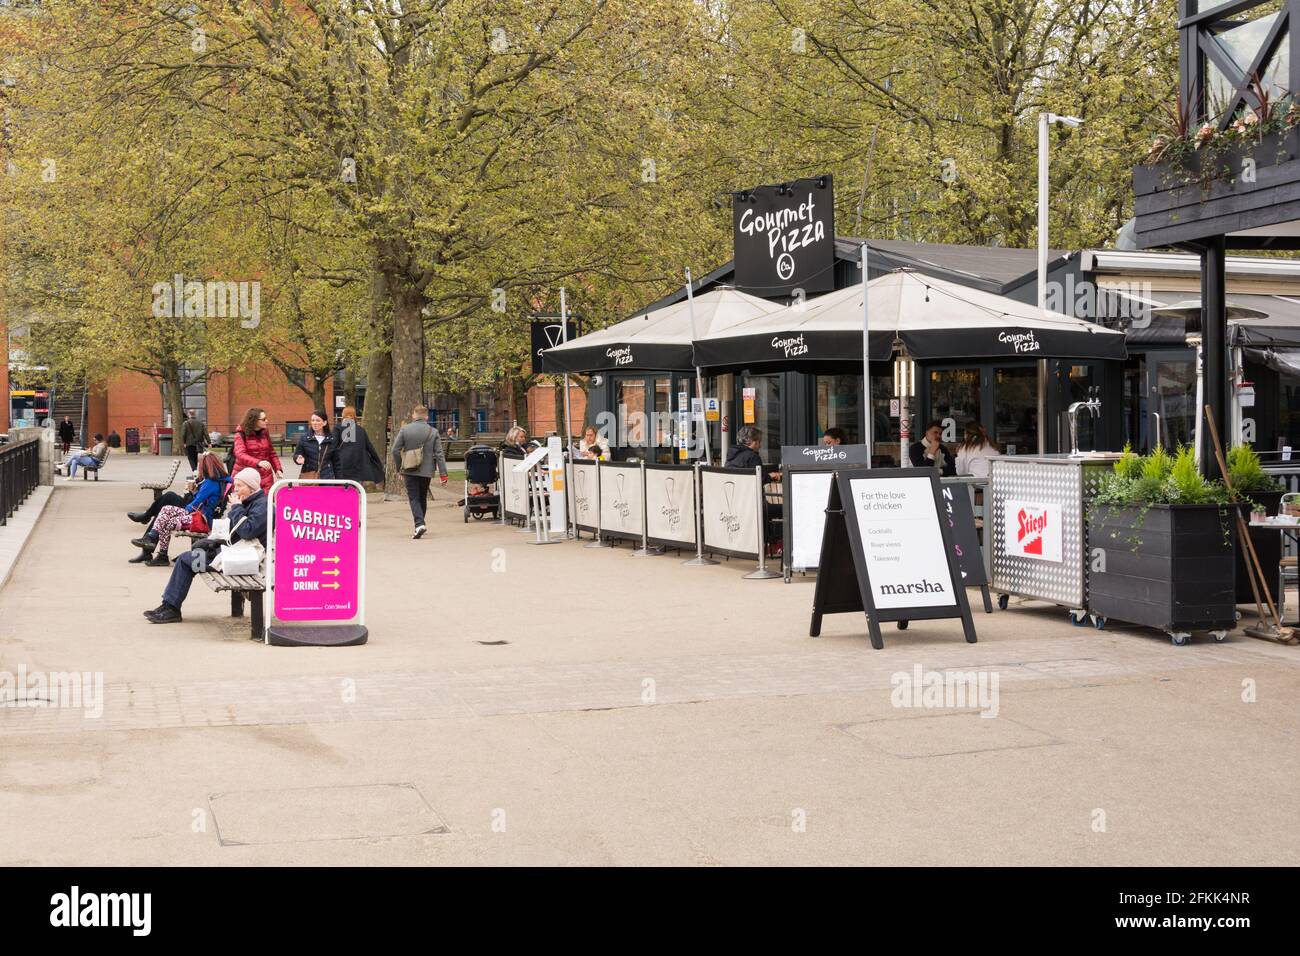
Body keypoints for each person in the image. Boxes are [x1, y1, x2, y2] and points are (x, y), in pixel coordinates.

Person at [144, 468, 266, 624]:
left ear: (252, 487)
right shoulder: (249, 502)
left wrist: (236, 508)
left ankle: (171, 608)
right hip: (234, 554)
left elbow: (247, 531)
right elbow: (234, 531)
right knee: (191, 555)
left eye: (240, 486)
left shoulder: (262, 506)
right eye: (235, 485)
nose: (236, 489)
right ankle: (169, 605)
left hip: (242, 560)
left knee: (186, 560)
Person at [131, 453, 230, 566]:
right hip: (205, 516)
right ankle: (157, 548)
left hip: (202, 519)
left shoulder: (210, 483)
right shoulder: (221, 480)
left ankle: (154, 542)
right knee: (166, 513)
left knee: (166, 512)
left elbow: (196, 503)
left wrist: (185, 509)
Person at [391, 404, 448, 539]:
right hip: (427, 470)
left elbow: (394, 450)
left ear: (414, 415)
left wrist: (400, 467)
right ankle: (420, 523)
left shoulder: (405, 430)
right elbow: (439, 454)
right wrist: (443, 474)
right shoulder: (433, 432)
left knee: (414, 497)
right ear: (426, 417)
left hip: (409, 469)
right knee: (422, 497)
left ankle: (419, 523)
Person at [233, 407, 283, 492]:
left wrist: (278, 468)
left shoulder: (264, 432)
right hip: (247, 477)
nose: (267, 421)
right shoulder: (240, 434)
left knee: (265, 502)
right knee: (246, 502)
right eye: (263, 419)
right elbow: (240, 454)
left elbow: (271, 452)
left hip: (265, 477)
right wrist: (258, 462)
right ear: (254, 420)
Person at [333, 405, 385, 483]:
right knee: (356, 490)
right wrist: (378, 463)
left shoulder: (338, 428)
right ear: (354, 416)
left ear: (342, 415)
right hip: (358, 468)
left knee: (343, 491)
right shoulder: (360, 430)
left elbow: (332, 446)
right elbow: (370, 448)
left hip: (342, 466)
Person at [292, 409, 339, 480]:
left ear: (324, 422)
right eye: (313, 420)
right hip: (309, 478)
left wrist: (339, 482)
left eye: (318, 420)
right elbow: (296, 455)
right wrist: (297, 458)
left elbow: (337, 462)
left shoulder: (332, 440)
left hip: (327, 478)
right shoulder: (304, 438)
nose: (314, 423)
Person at [179, 408, 209, 472]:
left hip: (189, 443)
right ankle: (195, 470)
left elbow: (183, 434)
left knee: (190, 457)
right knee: (195, 457)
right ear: (195, 414)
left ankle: (194, 470)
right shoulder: (201, 423)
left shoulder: (185, 423)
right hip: (199, 443)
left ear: (188, 414)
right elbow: (205, 433)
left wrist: (184, 442)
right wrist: (209, 442)